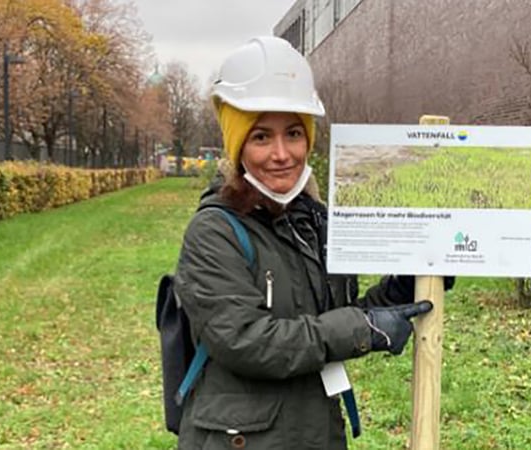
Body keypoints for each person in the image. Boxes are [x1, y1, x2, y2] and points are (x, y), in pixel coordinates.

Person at [172, 36, 442, 449]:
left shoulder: (314, 221)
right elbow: (246, 340)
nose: (281, 154)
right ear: (237, 143)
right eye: (261, 136)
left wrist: (405, 286)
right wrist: (362, 329)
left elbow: (338, 317)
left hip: (313, 431)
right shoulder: (213, 232)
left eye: (293, 133)